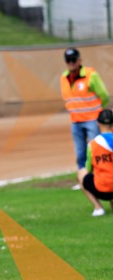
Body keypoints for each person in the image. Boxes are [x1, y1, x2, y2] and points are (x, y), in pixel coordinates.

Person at [61, 48, 110, 189]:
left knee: (96, 149)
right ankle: (83, 179)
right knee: (80, 153)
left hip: (92, 120)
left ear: (79, 60)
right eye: (68, 60)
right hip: (75, 121)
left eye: (73, 60)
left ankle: (99, 178)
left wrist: (98, 111)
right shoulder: (63, 77)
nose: (71, 63)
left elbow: (104, 95)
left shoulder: (90, 74)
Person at [81, 109, 113, 217]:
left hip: (102, 189)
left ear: (98, 123)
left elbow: (89, 168)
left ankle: (98, 208)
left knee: (82, 174)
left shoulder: (92, 144)